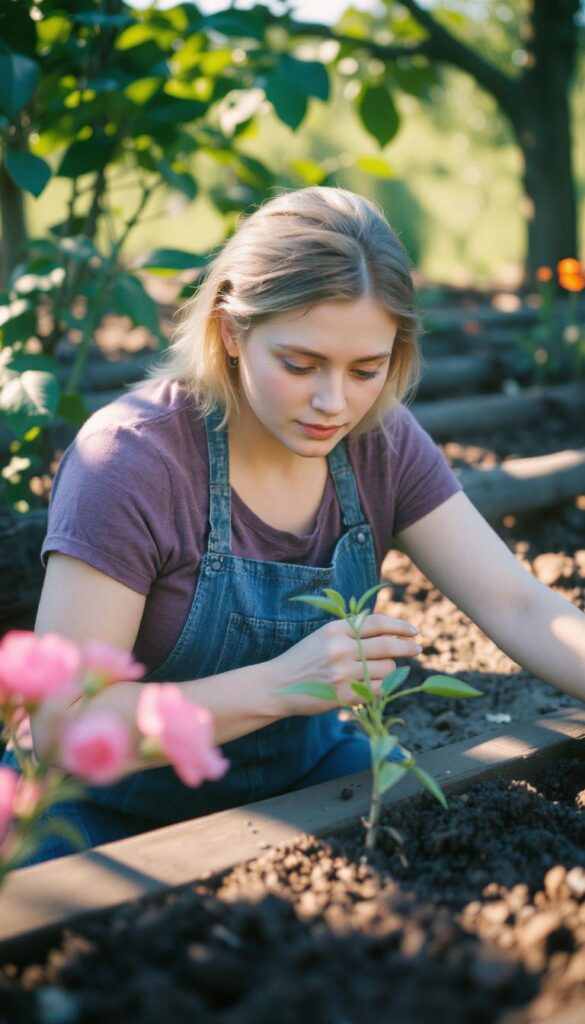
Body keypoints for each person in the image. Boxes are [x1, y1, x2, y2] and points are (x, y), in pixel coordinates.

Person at [4, 186, 584, 865]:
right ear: (229, 330)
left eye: (366, 369)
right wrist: (282, 685)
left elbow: (517, 603)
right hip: (97, 810)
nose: (333, 403)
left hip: (305, 782)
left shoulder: (380, 443)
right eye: (299, 365)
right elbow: (57, 725)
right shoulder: (131, 462)